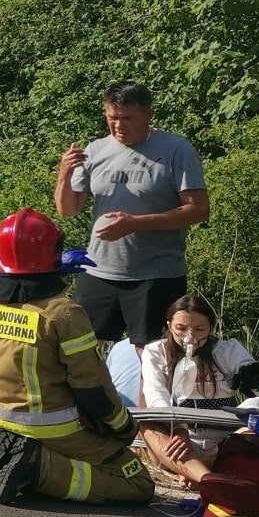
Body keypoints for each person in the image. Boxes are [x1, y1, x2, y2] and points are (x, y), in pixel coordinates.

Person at [0, 208, 152, 506]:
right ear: (52, 253)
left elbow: (20, 298)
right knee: (137, 482)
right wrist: (123, 426)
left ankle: (20, 455)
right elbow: (90, 385)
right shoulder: (64, 313)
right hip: (53, 425)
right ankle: (40, 468)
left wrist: (50, 270)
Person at [55, 81, 208, 348]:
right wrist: (64, 174)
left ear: (149, 114)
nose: (118, 126)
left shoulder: (175, 149)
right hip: (99, 269)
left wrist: (135, 224)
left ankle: (150, 393)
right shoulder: (95, 151)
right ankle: (102, 392)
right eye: (112, 118)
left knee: (152, 354)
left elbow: (198, 209)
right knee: (80, 349)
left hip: (156, 274)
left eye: (127, 118)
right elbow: (68, 209)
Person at [135, 292, 259, 487]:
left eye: (199, 329)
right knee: (146, 425)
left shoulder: (227, 351)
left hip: (227, 440)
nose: (190, 337)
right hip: (179, 442)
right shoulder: (156, 352)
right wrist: (178, 428)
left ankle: (199, 475)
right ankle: (210, 480)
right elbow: (155, 394)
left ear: (210, 329)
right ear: (168, 326)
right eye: (181, 328)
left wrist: (250, 403)